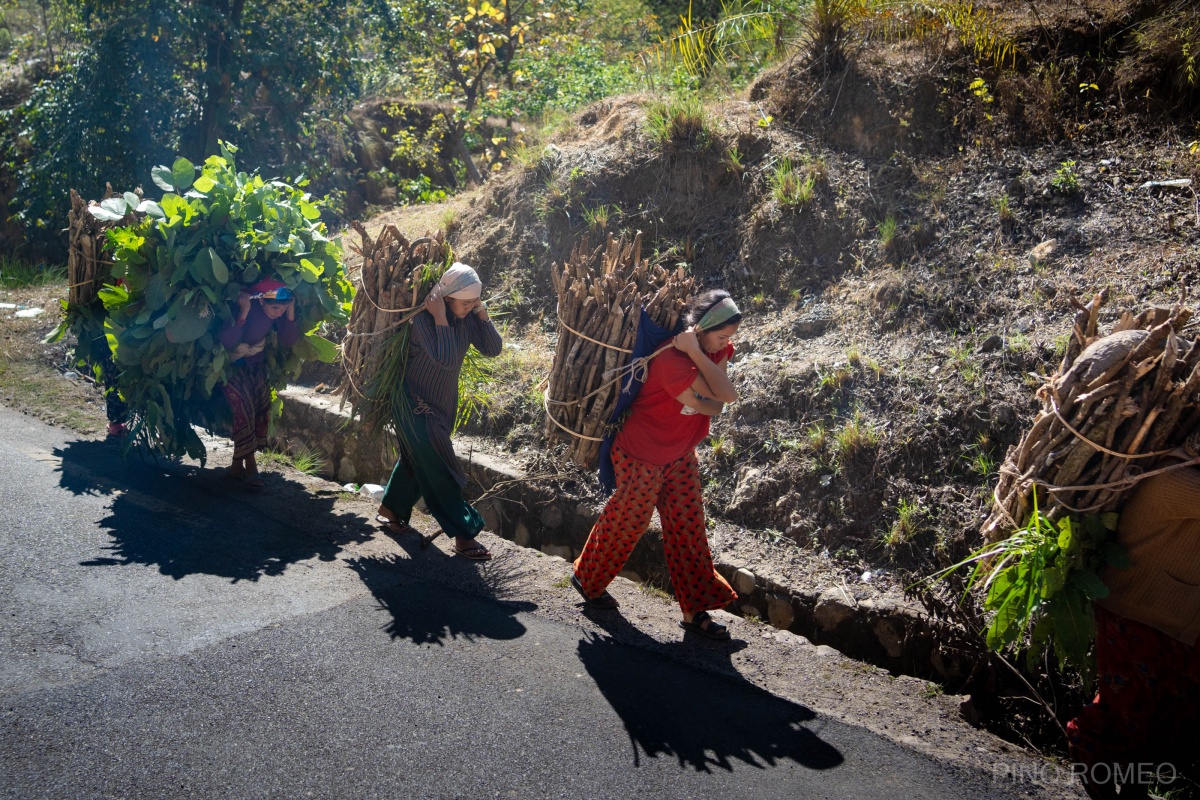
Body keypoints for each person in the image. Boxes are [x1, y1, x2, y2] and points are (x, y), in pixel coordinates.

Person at [571, 289, 742, 640]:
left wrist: (705, 367)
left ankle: (695, 610)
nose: (725, 344)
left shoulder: (713, 350)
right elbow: (719, 399)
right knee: (631, 517)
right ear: (701, 328)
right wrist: (700, 367)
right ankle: (587, 578)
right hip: (640, 452)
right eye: (721, 336)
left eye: (730, 339)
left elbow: (720, 396)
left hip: (680, 452)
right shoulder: (670, 361)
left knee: (688, 525)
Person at [1067, 456, 1200, 799]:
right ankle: (1088, 743)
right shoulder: (1172, 481)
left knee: (1167, 715)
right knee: (1132, 711)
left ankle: (1134, 788)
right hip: (1135, 612)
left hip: (1176, 620)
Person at [375, 262, 503, 560]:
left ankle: (390, 508)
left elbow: (493, 348)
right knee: (442, 467)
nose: (470, 306)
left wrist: (481, 312)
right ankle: (463, 534)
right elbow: (444, 360)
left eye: (474, 301)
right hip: (414, 405)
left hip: (443, 407)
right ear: (447, 297)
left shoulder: (468, 317)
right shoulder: (421, 321)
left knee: (419, 459)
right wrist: (440, 317)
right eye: (466, 301)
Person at [218, 278, 300, 488]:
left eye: (282, 309)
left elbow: (289, 340)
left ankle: (237, 467)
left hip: (256, 367)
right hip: (232, 368)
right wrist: (243, 313)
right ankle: (251, 466)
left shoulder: (279, 312)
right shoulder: (245, 306)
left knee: (259, 411)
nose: (278, 313)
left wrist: (289, 312)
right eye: (275, 308)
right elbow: (227, 341)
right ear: (261, 301)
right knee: (243, 411)